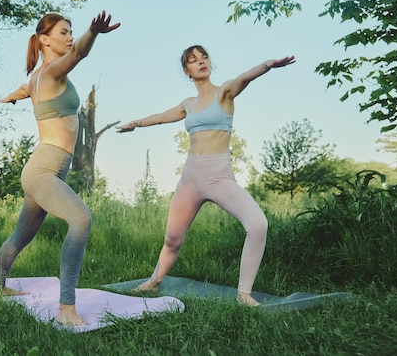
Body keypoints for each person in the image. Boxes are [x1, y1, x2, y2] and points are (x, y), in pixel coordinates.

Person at [116, 45, 295, 306]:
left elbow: (244, 78)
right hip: (190, 178)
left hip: (218, 176)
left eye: (204, 57)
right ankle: (154, 281)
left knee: (257, 225)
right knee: (172, 239)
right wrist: (137, 123)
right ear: (186, 71)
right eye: (193, 60)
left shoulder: (224, 93)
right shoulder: (188, 104)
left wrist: (267, 65)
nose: (201, 62)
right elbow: (162, 117)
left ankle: (244, 294)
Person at [0, 11, 120, 326]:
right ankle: (66, 308)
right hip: (43, 171)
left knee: (21, 236)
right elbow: (79, 53)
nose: (69, 37)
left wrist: (12, 96)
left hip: (45, 170)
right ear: (44, 39)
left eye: (72, 31)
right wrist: (93, 32)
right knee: (80, 218)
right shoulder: (51, 72)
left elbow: (25, 90)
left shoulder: (37, 77)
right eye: (64, 32)